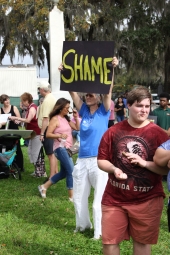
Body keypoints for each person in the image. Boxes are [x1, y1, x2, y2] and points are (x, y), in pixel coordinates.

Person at [97, 86, 169, 255]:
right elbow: (101, 160)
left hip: (147, 198)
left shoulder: (159, 135)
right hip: (114, 198)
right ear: (128, 105)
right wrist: (114, 169)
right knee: (110, 242)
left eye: (147, 106)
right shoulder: (113, 131)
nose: (144, 110)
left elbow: (165, 171)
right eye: (139, 106)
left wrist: (144, 163)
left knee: (142, 243)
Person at [59, 57, 119, 240]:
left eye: (93, 93)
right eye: (87, 94)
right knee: (78, 197)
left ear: (99, 97)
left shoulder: (104, 110)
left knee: (96, 203)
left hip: (99, 161)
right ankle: (82, 225)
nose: (89, 95)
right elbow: (72, 92)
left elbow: (108, 91)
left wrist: (111, 70)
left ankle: (99, 232)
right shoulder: (83, 110)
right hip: (82, 159)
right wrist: (65, 73)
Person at [38, 98, 80, 200]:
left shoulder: (66, 118)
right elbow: (48, 134)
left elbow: (77, 128)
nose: (68, 109)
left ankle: (44, 187)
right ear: (60, 108)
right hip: (59, 148)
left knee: (63, 173)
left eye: (69, 107)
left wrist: (76, 117)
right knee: (71, 171)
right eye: (66, 108)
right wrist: (60, 135)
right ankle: (71, 197)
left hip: (68, 148)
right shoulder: (55, 119)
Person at [9, 92, 46, 177]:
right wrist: (20, 120)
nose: (22, 103)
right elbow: (26, 120)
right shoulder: (30, 108)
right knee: (31, 151)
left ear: (26, 101)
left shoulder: (32, 108)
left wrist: (16, 118)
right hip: (32, 133)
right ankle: (37, 171)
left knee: (36, 153)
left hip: (36, 133)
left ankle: (41, 172)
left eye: (22, 101)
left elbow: (28, 120)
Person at [37, 81, 58, 178]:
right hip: (51, 127)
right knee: (52, 152)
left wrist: (42, 134)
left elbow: (45, 118)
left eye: (39, 89)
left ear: (42, 90)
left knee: (50, 153)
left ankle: (52, 175)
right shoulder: (51, 98)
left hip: (47, 129)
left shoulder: (47, 100)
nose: (39, 91)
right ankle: (56, 172)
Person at [0, 94, 24, 172]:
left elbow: (19, 119)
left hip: (14, 130)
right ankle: (5, 165)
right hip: (4, 131)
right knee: (4, 147)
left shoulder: (14, 107)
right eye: (5, 100)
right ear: (2, 102)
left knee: (17, 148)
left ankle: (20, 166)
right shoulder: (1, 110)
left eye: (8, 99)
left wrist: (17, 120)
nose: (7, 101)